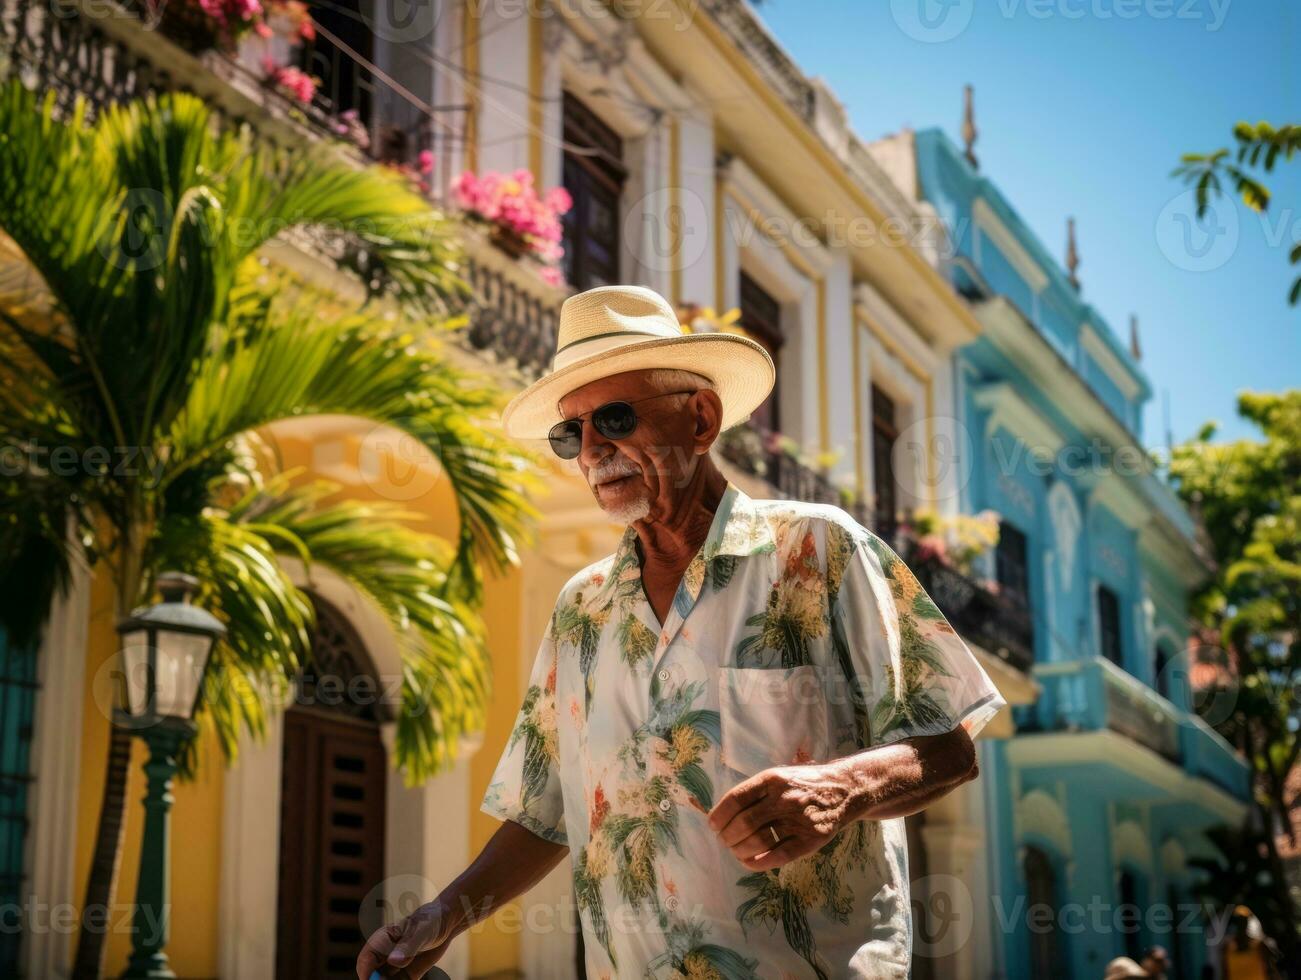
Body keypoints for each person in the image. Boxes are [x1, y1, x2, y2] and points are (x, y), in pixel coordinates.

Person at [356, 284, 1007, 980]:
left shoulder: (819, 550)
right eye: (570, 432)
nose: (592, 449)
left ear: (700, 419)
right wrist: (444, 915)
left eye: (613, 416)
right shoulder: (582, 609)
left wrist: (839, 789)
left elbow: (948, 747)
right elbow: (540, 811)